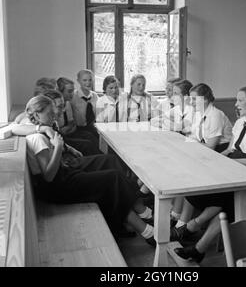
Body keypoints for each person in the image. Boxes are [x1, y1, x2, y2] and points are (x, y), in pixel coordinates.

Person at [25, 95, 156, 244]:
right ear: (36, 115)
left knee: (111, 167)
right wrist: (58, 148)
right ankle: (145, 225)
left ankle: (140, 218)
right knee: (112, 179)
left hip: (64, 174)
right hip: (57, 187)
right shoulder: (37, 139)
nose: (54, 115)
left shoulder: (41, 129)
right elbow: (49, 176)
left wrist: (62, 146)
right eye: (50, 113)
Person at [172, 85, 246, 264]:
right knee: (204, 182)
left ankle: (193, 231)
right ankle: (191, 231)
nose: (236, 104)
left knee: (225, 199)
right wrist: (216, 159)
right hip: (233, 162)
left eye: (240, 100)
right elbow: (230, 149)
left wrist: (228, 162)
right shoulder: (241, 121)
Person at [170, 83, 233, 229]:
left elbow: (211, 146)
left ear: (204, 99)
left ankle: (182, 223)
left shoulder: (215, 115)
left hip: (219, 152)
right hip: (203, 149)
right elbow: (193, 136)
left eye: (193, 99)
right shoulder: (199, 113)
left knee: (187, 173)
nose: (190, 102)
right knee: (178, 166)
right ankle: (176, 216)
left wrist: (188, 143)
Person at [57, 77, 101, 154]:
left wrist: (67, 128)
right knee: (87, 144)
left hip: (70, 132)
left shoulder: (67, 103)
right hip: (63, 138)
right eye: (69, 91)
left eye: (73, 91)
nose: (72, 94)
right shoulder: (56, 107)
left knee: (91, 136)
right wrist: (64, 130)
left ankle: (102, 157)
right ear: (60, 92)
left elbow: (71, 122)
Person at [71, 69, 99, 140]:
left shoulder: (95, 96)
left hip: (93, 127)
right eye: (84, 80)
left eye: (90, 80)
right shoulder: (73, 96)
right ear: (78, 81)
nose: (88, 83)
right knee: (92, 139)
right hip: (78, 129)